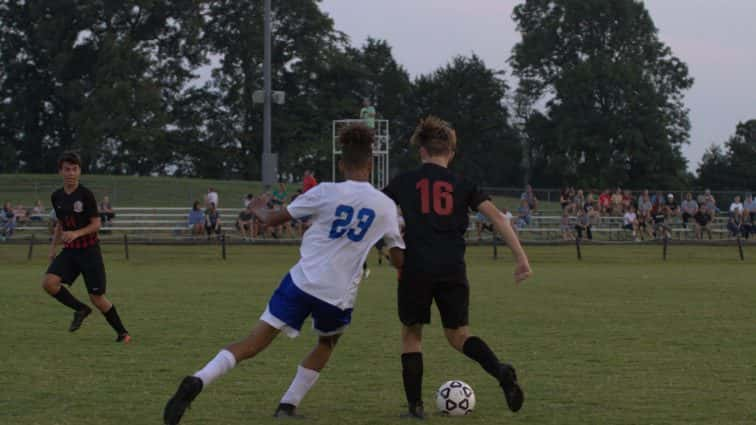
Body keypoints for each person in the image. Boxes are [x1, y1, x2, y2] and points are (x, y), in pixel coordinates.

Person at [163, 124, 405, 424]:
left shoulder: (325, 191)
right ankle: (288, 405)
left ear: (342, 164)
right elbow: (398, 257)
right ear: (371, 164)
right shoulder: (385, 205)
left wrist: (256, 207)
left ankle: (199, 379)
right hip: (337, 294)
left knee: (252, 343)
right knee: (327, 343)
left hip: (301, 282)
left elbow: (270, 220)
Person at [382, 116, 532, 418]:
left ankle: (416, 408)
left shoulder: (404, 182)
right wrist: (521, 257)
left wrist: (387, 246)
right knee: (459, 335)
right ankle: (500, 371)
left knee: (412, 334)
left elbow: (374, 211)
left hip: (416, 266)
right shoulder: (464, 185)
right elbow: (499, 218)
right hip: (452, 266)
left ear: (421, 151)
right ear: (450, 152)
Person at [41, 152, 130, 342]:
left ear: (79, 171)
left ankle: (123, 333)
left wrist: (76, 233)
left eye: (74, 169)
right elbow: (60, 223)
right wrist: (52, 248)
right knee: (49, 283)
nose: (70, 173)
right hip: (70, 252)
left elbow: (96, 224)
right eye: (67, 169)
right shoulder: (56, 196)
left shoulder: (86, 195)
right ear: (60, 171)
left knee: (97, 298)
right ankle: (80, 309)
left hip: (89, 251)